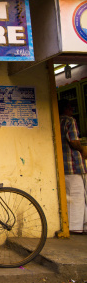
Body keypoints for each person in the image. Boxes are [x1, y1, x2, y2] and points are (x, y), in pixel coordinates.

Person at [59, 99, 87, 234]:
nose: (72, 111)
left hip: (61, 165)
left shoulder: (56, 120)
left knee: (68, 196)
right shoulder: (69, 121)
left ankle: (75, 225)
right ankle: (75, 226)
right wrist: (83, 149)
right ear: (66, 109)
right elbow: (74, 141)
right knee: (76, 196)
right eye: (70, 108)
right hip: (72, 165)